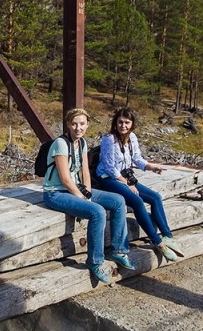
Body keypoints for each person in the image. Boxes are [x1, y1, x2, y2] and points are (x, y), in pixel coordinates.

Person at [41, 107, 135, 286]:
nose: (78, 128)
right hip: (56, 193)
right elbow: (66, 179)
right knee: (97, 212)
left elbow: (85, 172)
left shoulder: (82, 142)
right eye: (74, 124)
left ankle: (118, 250)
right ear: (68, 125)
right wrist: (84, 199)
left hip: (75, 189)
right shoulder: (61, 144)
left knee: (118, 201)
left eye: (82, 124)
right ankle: (95, 261)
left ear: (87, 125)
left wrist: (88, 192)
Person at [93, 107, 181, 262]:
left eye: (127, 122)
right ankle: (158, 242)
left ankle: (167, 236)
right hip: (108, 178)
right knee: (137, 201)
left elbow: (137, 158)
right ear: (115, 123)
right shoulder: (109, 139)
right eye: (120, 122)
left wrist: (151, 166)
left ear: (132, 124)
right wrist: (127, 184)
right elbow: (109, 167)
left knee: (155, 198)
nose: (123, 126)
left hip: (124, 176)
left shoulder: (132, 137)